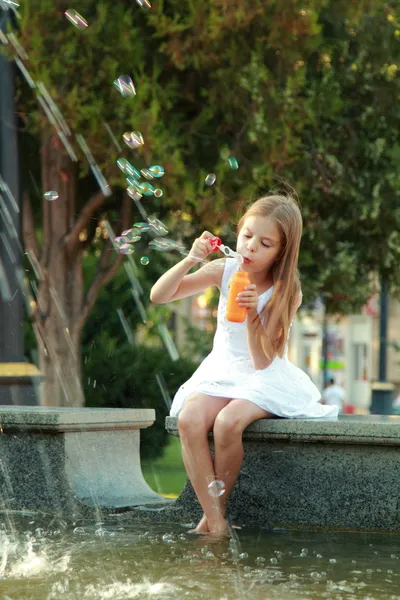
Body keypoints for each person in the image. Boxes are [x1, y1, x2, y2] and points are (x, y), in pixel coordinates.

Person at [150, 194, 338, 536]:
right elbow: (159, 295)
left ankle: (213, 517)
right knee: (190, 419)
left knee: (228, 423)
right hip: (222, 369)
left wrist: (253, 314)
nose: (250, 248)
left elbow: (263, 360)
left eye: (265, 243)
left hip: (263, 376)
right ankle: (217, 522)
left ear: (281, 251)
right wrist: (191, 258)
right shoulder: (226, 269)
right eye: (247, 236)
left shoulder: (286, 290)